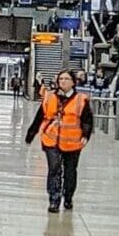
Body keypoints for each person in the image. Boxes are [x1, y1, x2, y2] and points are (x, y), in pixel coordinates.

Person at [25, 68, 92, 213]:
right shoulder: (49, 97)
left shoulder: (81, 100)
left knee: (70, 171)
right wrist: (31, 133)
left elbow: (87, 119)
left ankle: (68, 197)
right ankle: (54, 199)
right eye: (60, 79)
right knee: (54, 169)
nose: (62, 82)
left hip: (73, 142)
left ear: (73, 82)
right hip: (51, 140)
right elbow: (40, 116)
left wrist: (86, 135)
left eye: (66, 79)